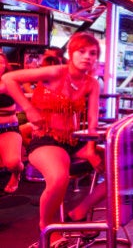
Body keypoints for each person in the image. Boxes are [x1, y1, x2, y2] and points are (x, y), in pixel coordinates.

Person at [2, 32, 106, 247]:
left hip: (74, 140)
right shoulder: (55, 72)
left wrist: (90, 148)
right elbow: (8, 79)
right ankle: (48, 226)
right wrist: (29, 109)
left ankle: (79, 211)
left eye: (93, 53)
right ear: (71, 53)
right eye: (81, 51)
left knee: (121, 168)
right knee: (59, 176)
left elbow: (93, 121)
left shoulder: (92, 84)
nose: (87, 56)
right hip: (46, 140)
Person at [0, 52, 23, 194]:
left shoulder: (8, 82)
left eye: (1, 62)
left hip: (8, 130)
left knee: (13, 162)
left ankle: (17, 174)